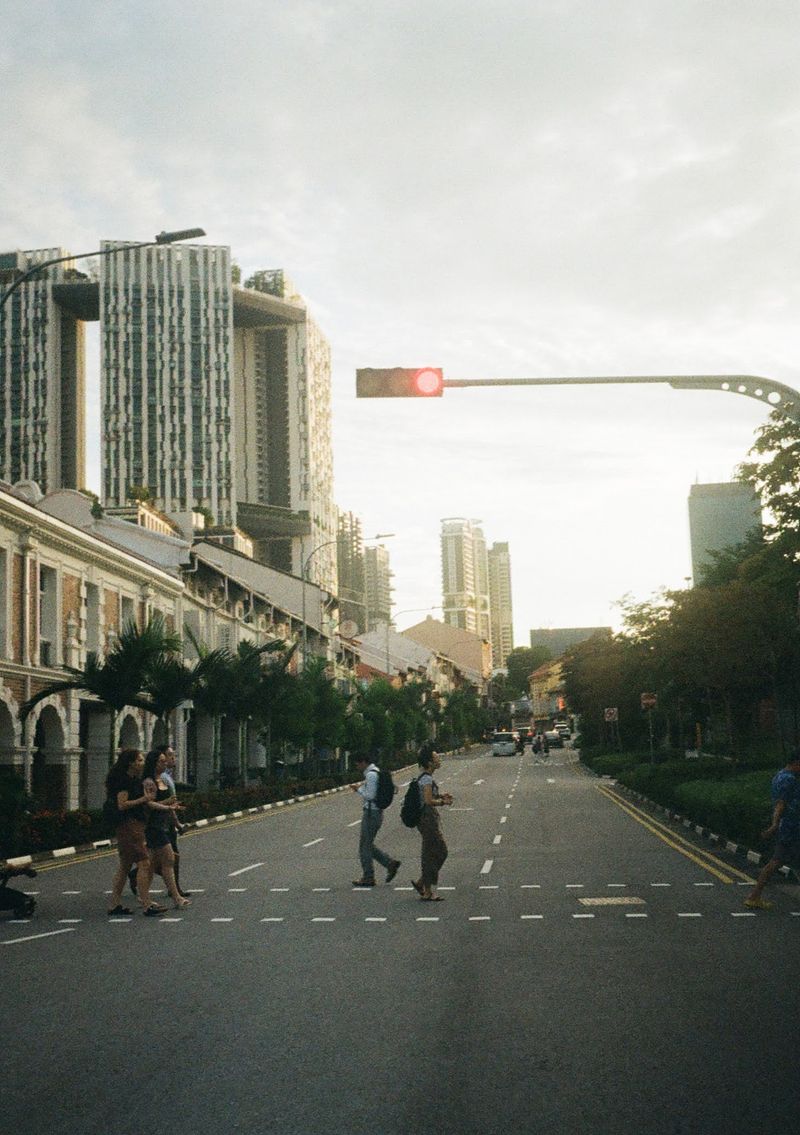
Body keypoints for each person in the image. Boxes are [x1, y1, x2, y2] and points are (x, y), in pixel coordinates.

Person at [129, 743, 192, 899]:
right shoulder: (150, 782)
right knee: (166, 860)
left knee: (155, 863)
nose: (165, 763)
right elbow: (148, 804)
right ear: (154, 763)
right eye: (162, 761)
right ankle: (174, 895)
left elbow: (169, 804)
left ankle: (166, 895)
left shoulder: (162, 779)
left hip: (164, 825)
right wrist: (168, 805)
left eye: (165, 760)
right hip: (153, 826)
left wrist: (176, 821)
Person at [105, 749, 161, 916]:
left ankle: (114, 905)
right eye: (139, 760)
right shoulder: (124, 781)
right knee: (144, 863)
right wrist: (143, 799)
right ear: (131, 763)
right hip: (129, 826)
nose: (142, 763)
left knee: (125, 866)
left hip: (132, 825)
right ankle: (146, 904)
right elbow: (122, 804)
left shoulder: (133, 779)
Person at [744, 749, 800, 910]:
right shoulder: (788, 780)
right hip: (792, 828)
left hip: (789, 827)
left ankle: (754, 895)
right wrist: (774, 824)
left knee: (777, 862)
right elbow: (780, 804)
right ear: (797, 763)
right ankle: (754, 896)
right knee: (775, 862)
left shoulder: (779, 776)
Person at [350, 753, 401, 887]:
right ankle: (389, 863)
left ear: (363, 762)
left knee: (364, 847)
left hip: (372, 813)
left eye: (357, 763)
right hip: (375, 813)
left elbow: (370, 795)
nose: (356, 766)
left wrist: (358, 789)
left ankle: (368, 877)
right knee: (367, 845)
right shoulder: (376, 771)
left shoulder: (371, 775)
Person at [411, 743, 453, 901]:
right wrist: (443, 802)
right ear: (429, 763)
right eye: (436, 758)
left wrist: (441, 796)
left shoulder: (426, 778)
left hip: (428, 818)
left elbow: (428, 797)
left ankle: (422, 882)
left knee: (438, 851)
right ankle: (427, 890)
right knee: (433, 853)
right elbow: (428, 800)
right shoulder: (426, 779)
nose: (439, 759)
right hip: (427, 819)